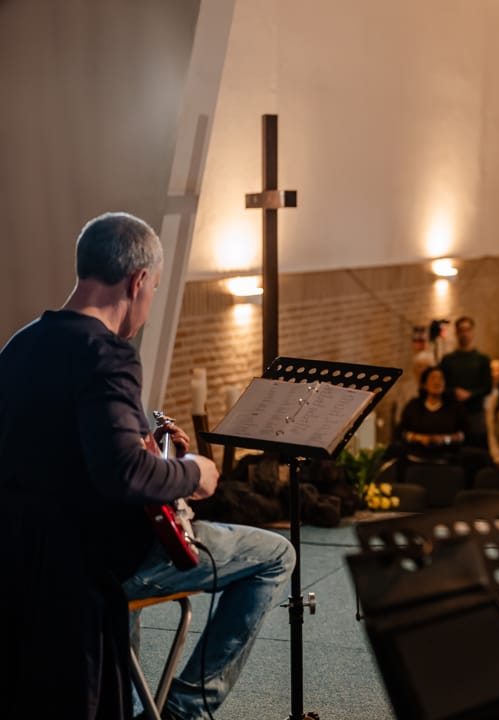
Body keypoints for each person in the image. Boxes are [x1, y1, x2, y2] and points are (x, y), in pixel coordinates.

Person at [0, 212, 293, 720]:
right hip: (99, 562)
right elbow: (122, 474)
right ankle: (186, 707)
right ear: (137, 281)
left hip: (23, 560)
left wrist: (153, 448)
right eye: (154, 289)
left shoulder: (21, 345)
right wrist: (194, 472)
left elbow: (70, 451)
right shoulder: (107, 353)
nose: (149, 303)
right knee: (275, 554)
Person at [439, 316, 493, 447]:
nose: (465, 334)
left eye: (467, 330)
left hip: (475, 414)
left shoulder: (482, 359)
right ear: (456, 333)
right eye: (461, 330)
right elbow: (441, 386)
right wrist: (454, 392)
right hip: (453, 414)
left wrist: (470, 394)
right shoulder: (448, 360)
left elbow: (487, 387)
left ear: (472, 332)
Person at [397, 366, 468, 463]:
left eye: (441, 378)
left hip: (446, 459)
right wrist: (420, 438)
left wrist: (445, 439)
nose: (437, 382)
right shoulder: (414, 406)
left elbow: (463, 434)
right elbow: (402, 433)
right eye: (433, 378)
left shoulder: (454, 406)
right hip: (415, 459)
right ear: (424, 384)